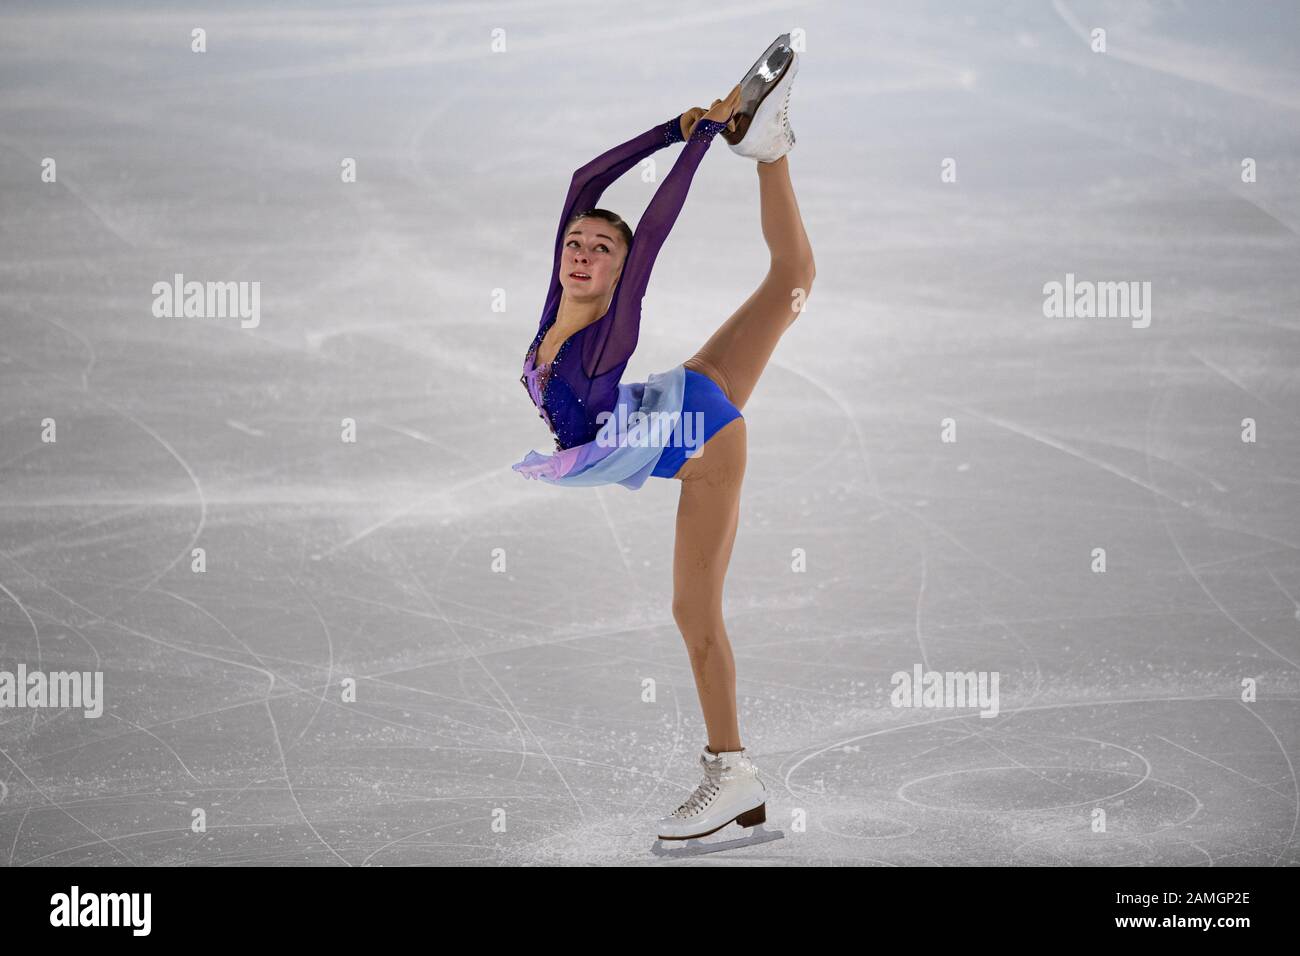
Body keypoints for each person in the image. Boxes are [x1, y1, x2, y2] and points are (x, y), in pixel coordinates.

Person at [513, 34, 815, 841]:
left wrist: (705, 140)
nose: (582, 255)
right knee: (790, 285)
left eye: (601, 251)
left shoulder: (606, 335)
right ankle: (774, 147)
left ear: (618, 272)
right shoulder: (556, 305)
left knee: (695, 615)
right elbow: (587, 183)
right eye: (576, 245)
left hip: (703, 446)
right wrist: (674, 129)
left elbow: (654, 230)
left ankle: (731, 772)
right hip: (687, 395)